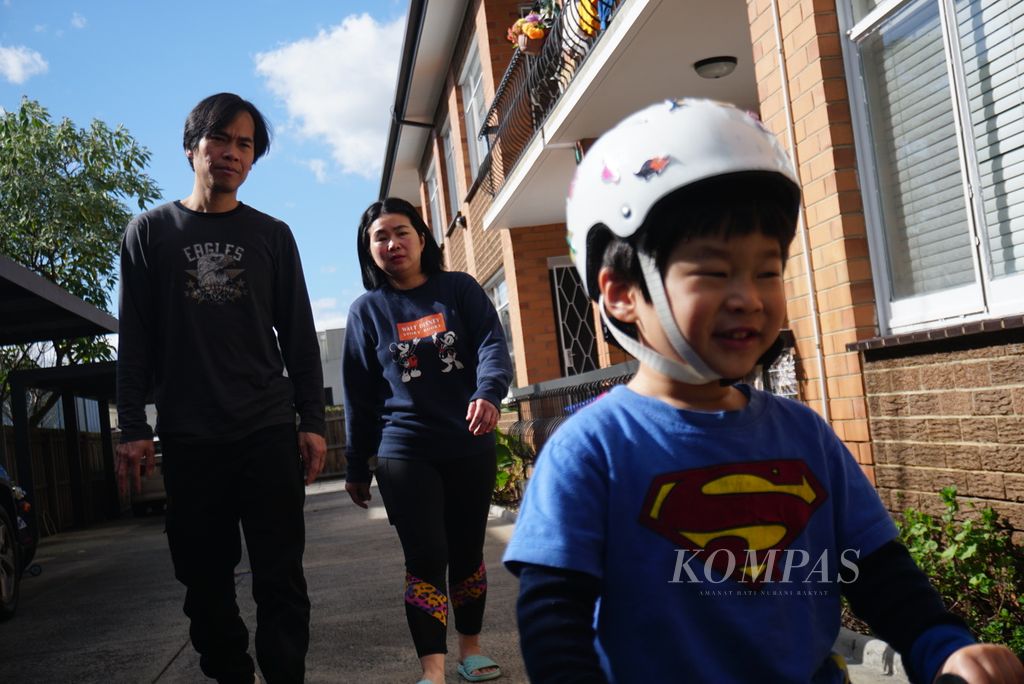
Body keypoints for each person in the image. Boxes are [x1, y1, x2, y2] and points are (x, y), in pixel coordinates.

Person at [502, 99, 1024, 684]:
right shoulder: (590, 449)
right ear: (622, 292)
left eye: (767, 271)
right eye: (714, 271)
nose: (748, 296)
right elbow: (554, 620)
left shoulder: (804, 435)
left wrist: (944, 646)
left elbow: (875, 570)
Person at [116, 92, 327, 684]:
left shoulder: (272, 235)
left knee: (281, 576)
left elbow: (301, 336)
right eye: (221, 140)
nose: (233, 153)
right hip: (189, 435)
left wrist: (311, 419)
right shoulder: (148, 234)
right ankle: (230, 674)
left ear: (253, 159)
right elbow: (133, 339)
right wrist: (132, 426)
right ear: (192, 148)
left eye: (246, 145)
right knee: (204, 580)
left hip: (264, 428)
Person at [342, 197, 512, 684]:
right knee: (425, 555)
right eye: (380, 237)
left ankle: (471, 650)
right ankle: (432, 670)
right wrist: (356, 464)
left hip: (468, 443)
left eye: (401, 232)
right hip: (404, 451)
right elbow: (359, 394)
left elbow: (490, 345)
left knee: (466, 549)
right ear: (368, 250)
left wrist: (489, 393)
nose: (392, 244)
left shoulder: (458, 289)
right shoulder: (366, 312)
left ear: (421, 237)